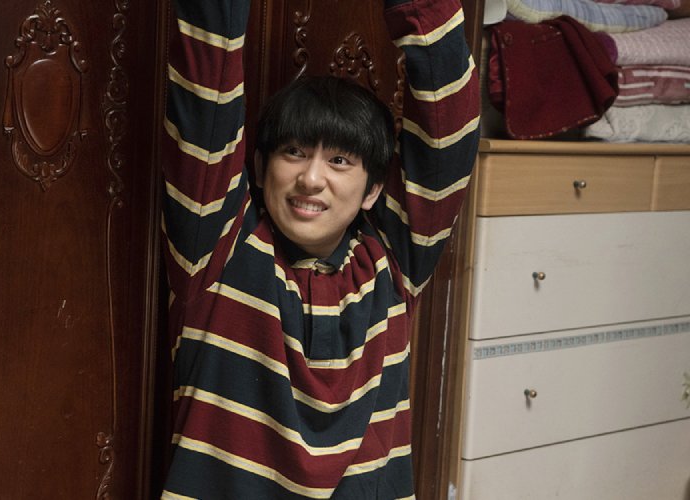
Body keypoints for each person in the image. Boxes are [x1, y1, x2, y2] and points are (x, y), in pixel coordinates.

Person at [160, 0, 480, 497]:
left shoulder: (392, 262)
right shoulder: (218, 249)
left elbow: (449, 132)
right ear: (260, 166)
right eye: (294, 152)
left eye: (340, 160)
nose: (311, 178)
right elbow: (207, 93)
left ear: (373, 189)